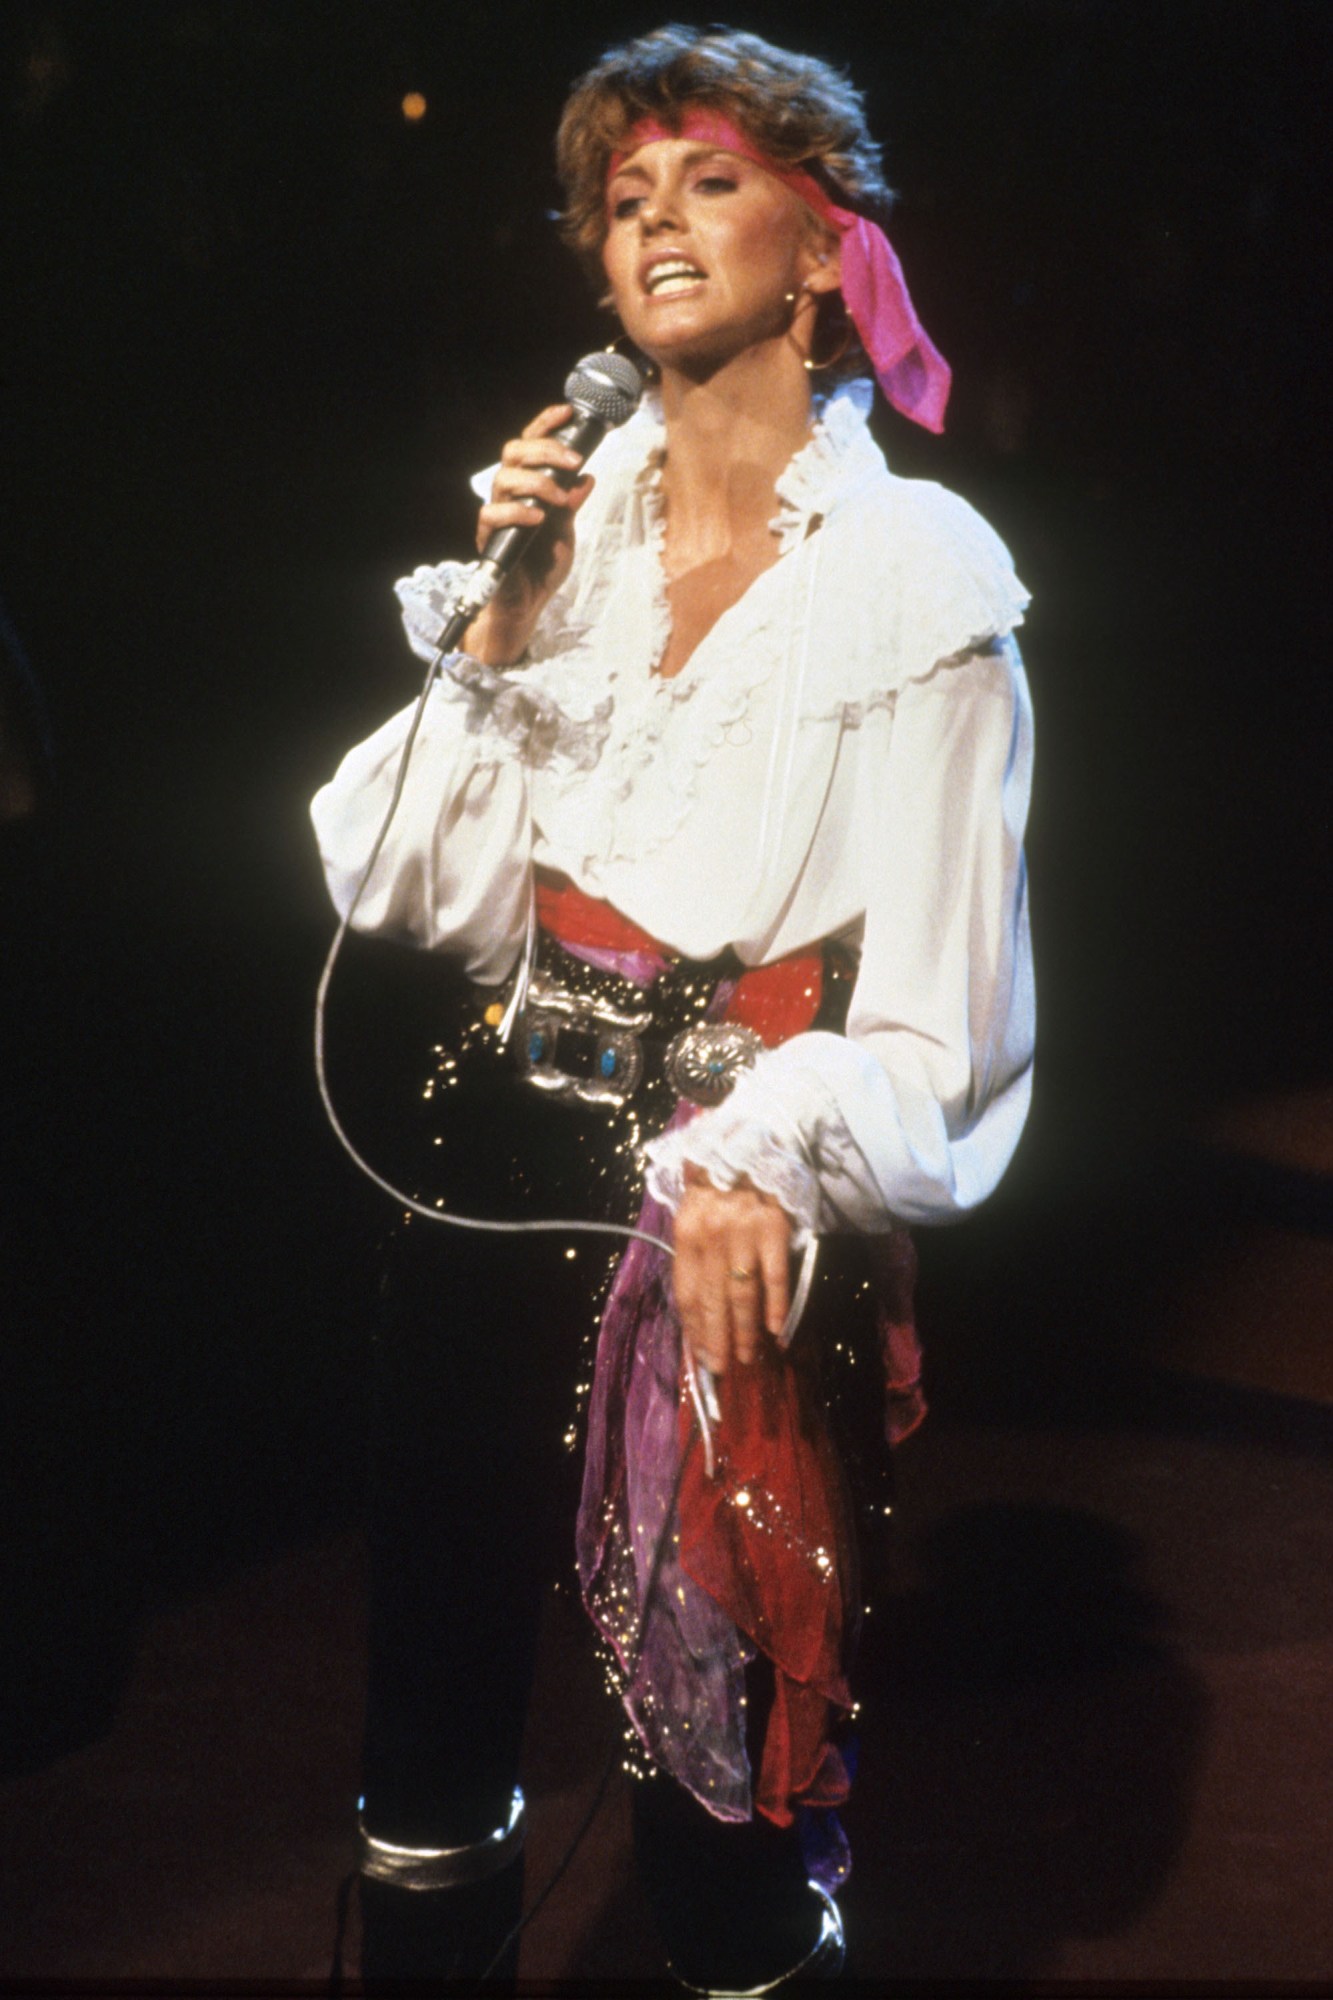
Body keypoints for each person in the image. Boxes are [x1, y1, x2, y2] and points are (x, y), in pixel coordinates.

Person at [311, 25, 1033, 1993]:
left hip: (725, 1195)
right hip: (483, 1175)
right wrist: (502, 625)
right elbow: (395, 892)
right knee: (428, 1745)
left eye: (703, 180)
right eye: (620, 199)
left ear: (817, 249)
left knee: (719, 1782)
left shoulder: (909, 577)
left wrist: (766, 1160)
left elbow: (947, 1032)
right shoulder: (571, 555)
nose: (652, 220)